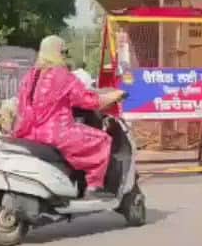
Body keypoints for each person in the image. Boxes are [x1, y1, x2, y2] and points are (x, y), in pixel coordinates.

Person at [13, 35, 124, 197]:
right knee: (102, 140)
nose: (65, 57)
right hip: (57, 133)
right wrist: (115, 96)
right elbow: (88, 100)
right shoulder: (61, 75)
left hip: (29, 132)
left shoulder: (31, 76)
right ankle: (94, 186)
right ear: (57, 53)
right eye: (64, 52)